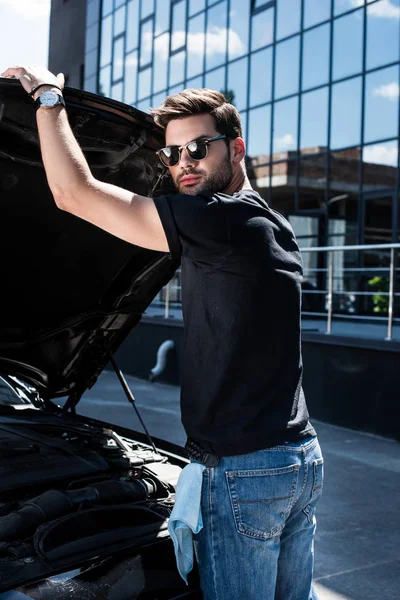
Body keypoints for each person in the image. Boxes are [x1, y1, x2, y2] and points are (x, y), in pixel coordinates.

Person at [1, 65, 324, 600]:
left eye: (198, 148)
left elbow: (74, 194)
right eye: (171, 154)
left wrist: (48, 97)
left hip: (245, 471)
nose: (183, 165)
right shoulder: (268, 222)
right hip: (296, 459)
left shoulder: (222, 221)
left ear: (236, 148)